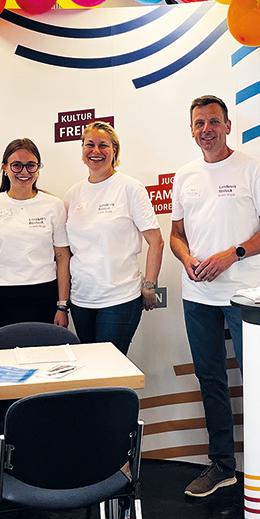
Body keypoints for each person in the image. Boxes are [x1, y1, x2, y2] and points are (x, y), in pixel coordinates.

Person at [170, 95, 260, 498]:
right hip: (197, 293)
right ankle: (222, 465)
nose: (206, 129)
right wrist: (186, 258)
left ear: (227, 126)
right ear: (191, 129)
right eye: (199, 123)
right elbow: (176, 234)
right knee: (211, 379)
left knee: (258, 379)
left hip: (244, 294)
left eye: (213, 122)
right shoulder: (184, 175)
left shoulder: (252, 168)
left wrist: (231, 254)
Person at [63, 121, 162, 354]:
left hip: (120, 298)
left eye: (103, 146)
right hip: (81, 300)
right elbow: (66, 251)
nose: (95, 151)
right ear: (82, 150)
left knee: (110, 372)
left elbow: (156, 242)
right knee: (91, 370)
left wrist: (149, 286)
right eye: (90, 145)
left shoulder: (129, 188)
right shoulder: (72, 194)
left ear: (114, 151)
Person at [0, 138, 70, 339]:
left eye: (31, 165)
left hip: (43, 296)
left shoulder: (54, 205)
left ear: (38, 168)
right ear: (5, 167)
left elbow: (62, 258)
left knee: (43, 361)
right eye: (16, 165)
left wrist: (62, 306)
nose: (24, 172)